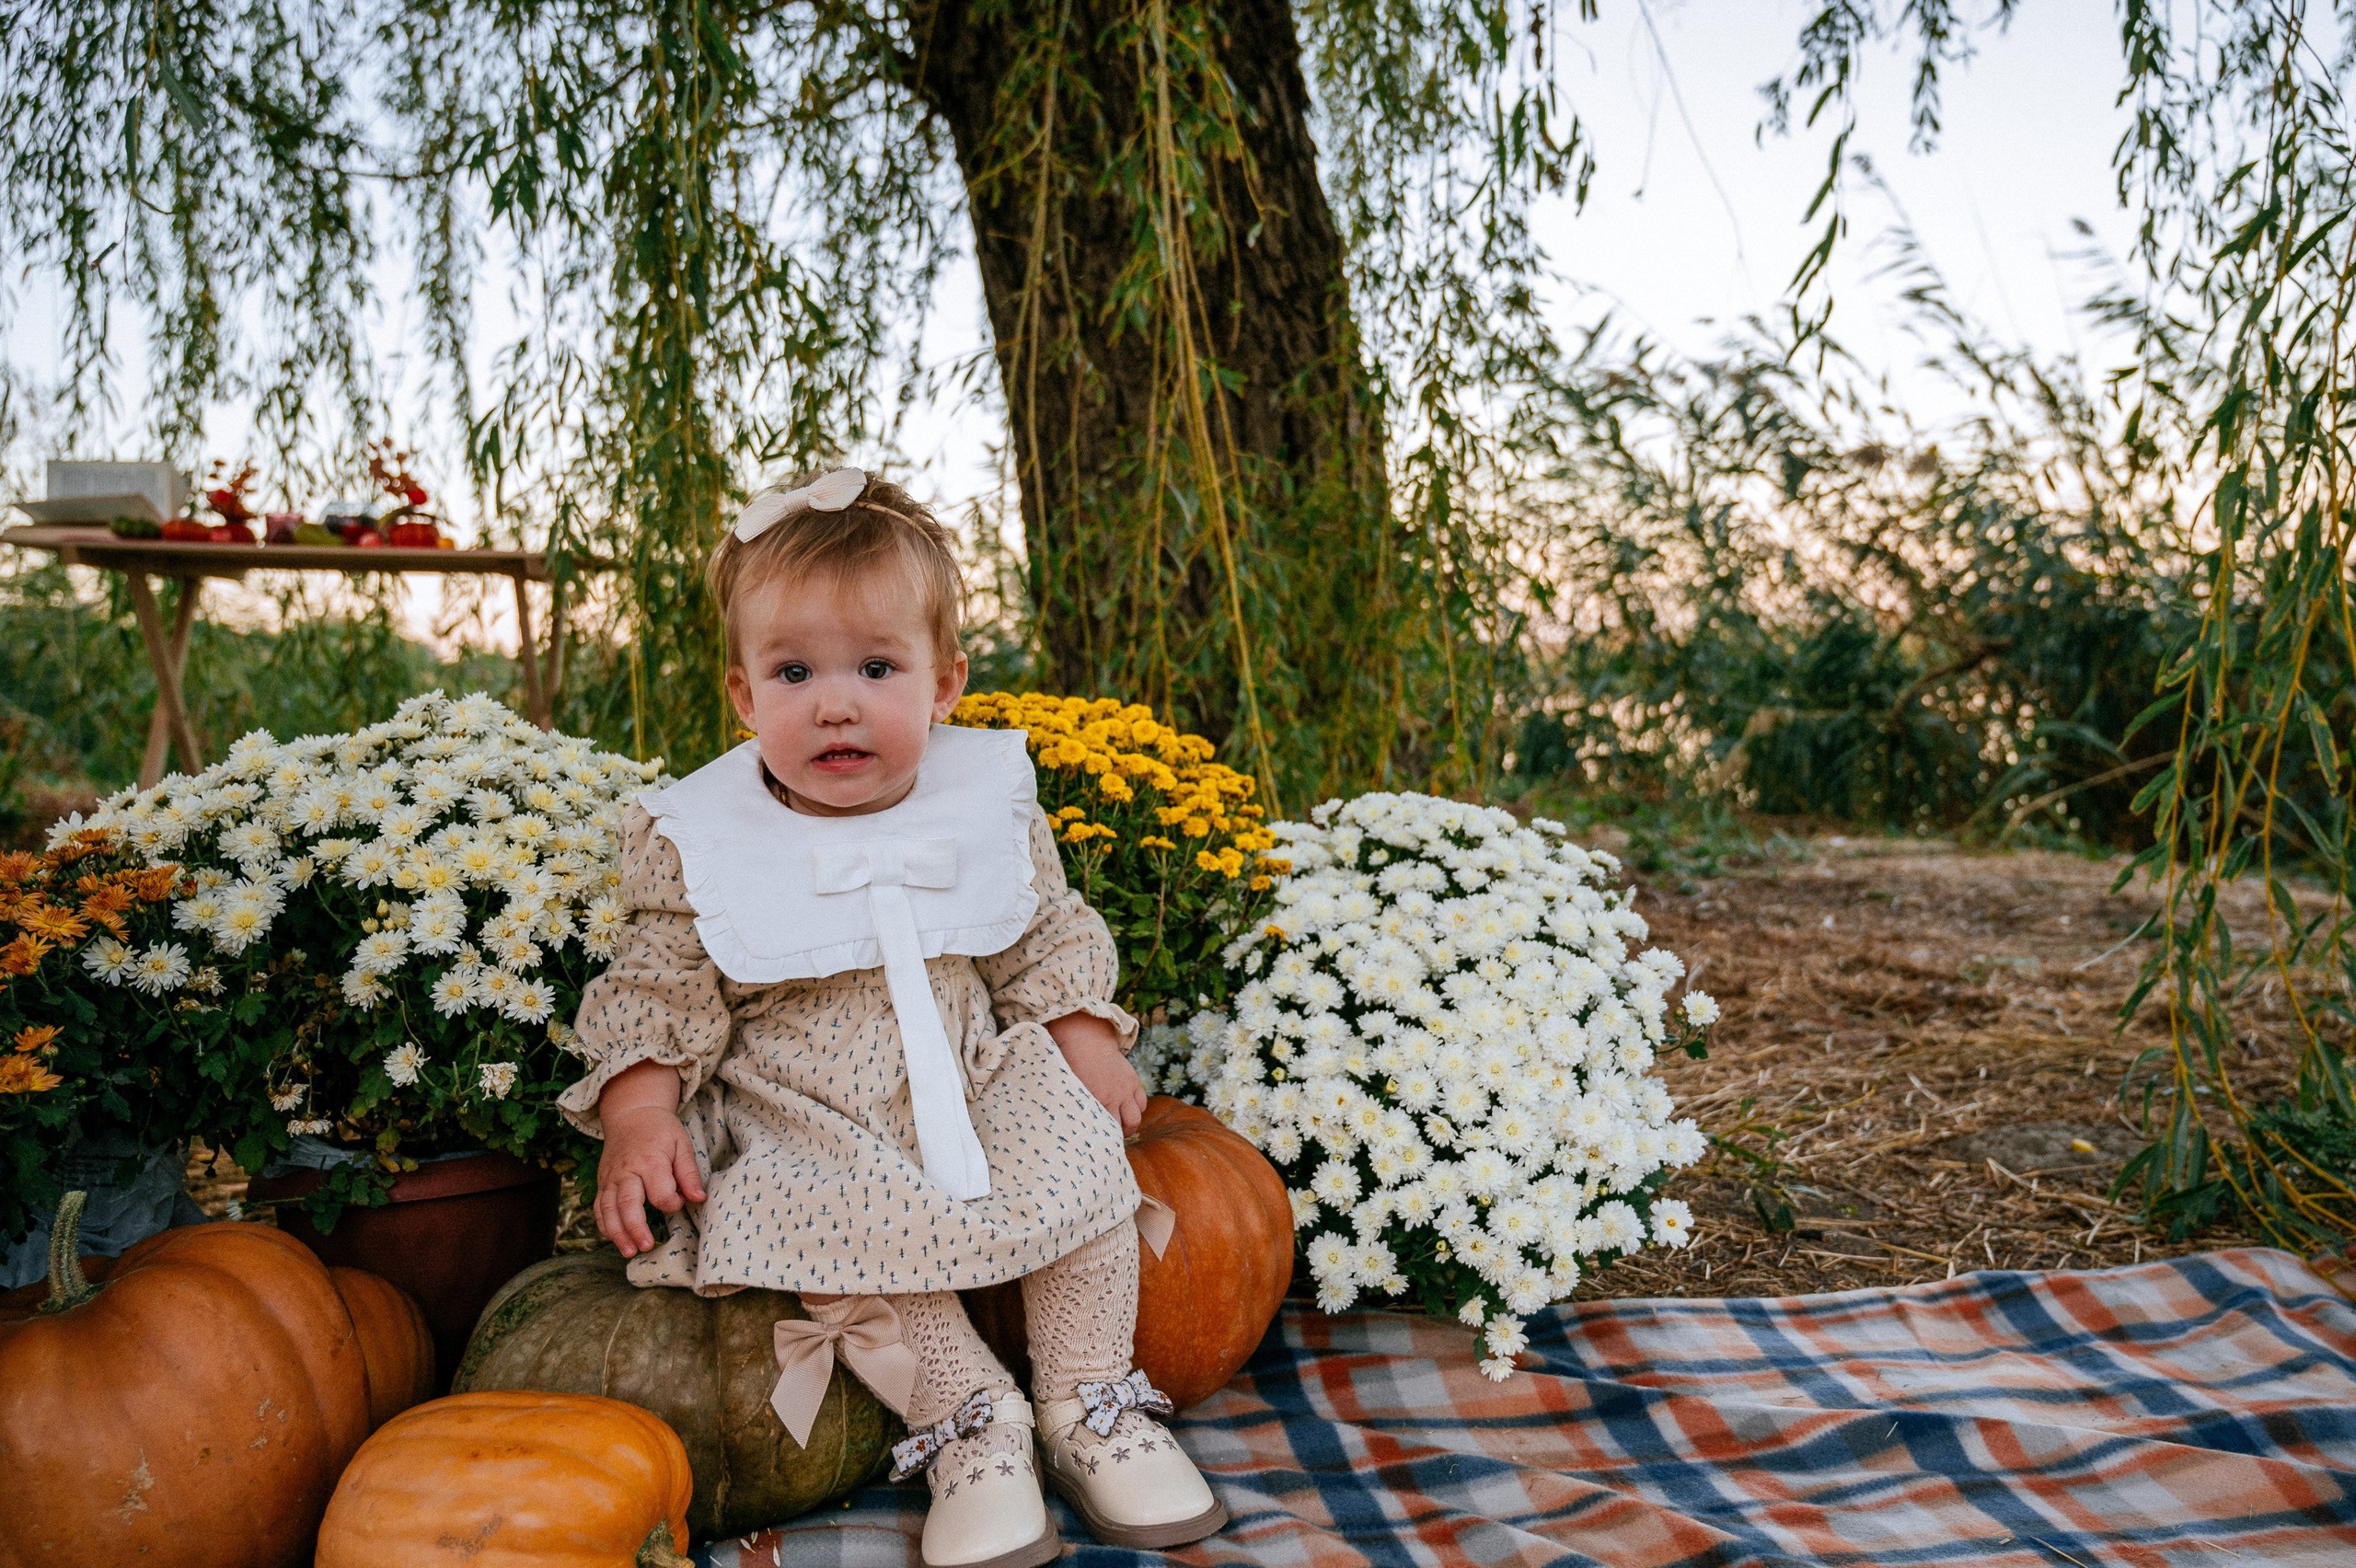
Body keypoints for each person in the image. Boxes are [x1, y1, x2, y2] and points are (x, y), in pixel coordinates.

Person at [556, 469, 1225, 1568]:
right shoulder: (700, 837)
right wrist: (638, 1112)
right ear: (743, 696)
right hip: (803, 1101)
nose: (836, 704)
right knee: (827, 1226)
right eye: (794, 672)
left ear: (944, 682)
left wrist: (1083, 1037)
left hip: (969, 1065)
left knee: (1080, 1160)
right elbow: (659, 982)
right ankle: (969, 1423)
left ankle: (1089, 1399)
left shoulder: (982, 800)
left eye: (876, 668)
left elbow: (1039, 931)